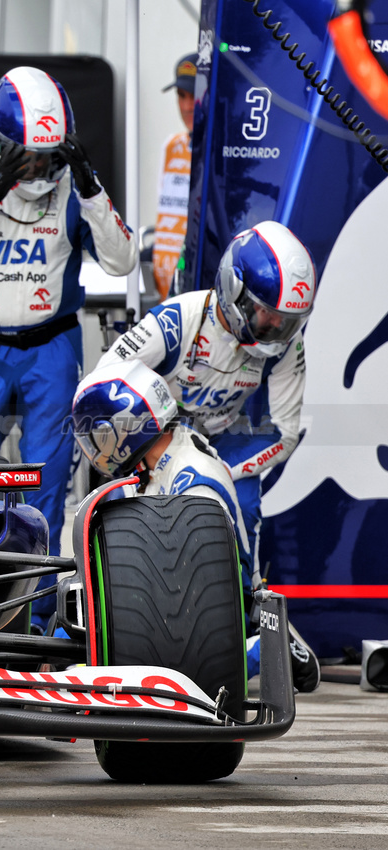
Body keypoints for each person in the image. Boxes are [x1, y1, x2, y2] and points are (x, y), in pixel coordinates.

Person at [0, 66, 137, 630]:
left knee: (46, 482)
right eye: (28, 158)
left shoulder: (76, 189)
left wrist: (92, 192)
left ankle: (37, 615)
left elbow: (122, 260)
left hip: (53, 347)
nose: (40, 172)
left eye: (50, 159)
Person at [70, 360, 320, 692]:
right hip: (169, 590)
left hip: (213, 603)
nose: (99, 447)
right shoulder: (156, 462)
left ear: (130, 427)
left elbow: (197, 589)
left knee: (174, 681)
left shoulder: (194, 481)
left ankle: (269, 643)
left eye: (102, 434)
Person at [94, 220, 311, 601]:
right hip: (153, 437)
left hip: (222, 440)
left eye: (286, 321)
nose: (277, 327)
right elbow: (102, 386)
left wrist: (215, 472)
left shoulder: (286, 346)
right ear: (234, 289)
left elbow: (285, 431)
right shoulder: (175, 322)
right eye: (266, 314)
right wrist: (139, 453)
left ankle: (243, 608)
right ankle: (111, 605)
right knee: (119, 513)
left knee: (240, 503)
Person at [152, 53, 197, 298]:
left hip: (196, 289)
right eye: (181, 96)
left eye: (194, 95)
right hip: (164, 289)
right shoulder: (171, 146)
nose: (187, 106)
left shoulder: (220, 152)